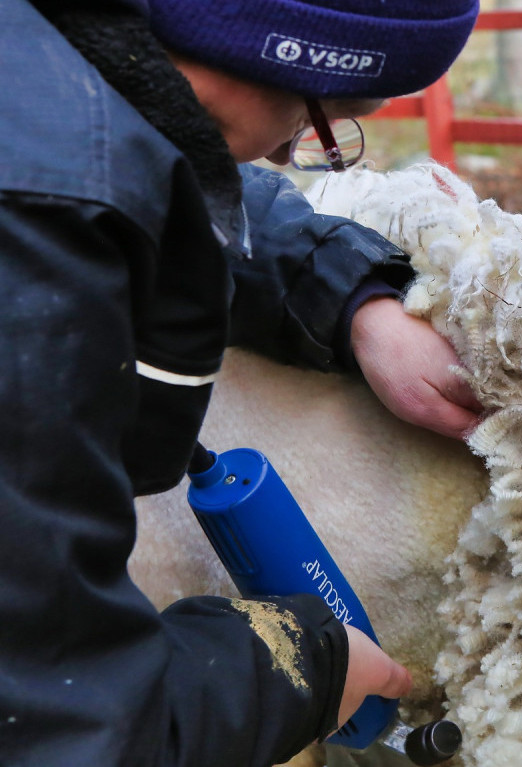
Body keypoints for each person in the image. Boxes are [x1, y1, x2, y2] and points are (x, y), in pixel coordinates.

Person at [0, 0, 484, 764]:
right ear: (249, 43)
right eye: (314, 117)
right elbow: (51, 713)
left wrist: (355, 302)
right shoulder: (37, 232)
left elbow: (164, 170)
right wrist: (298, 668)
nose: (291, 155)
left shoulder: (54, 70)